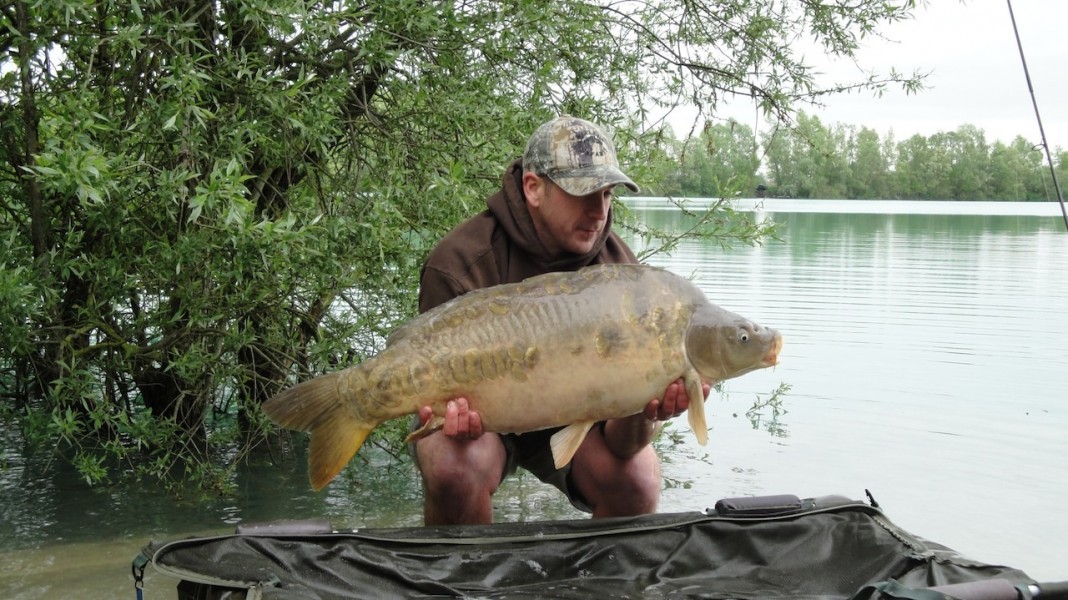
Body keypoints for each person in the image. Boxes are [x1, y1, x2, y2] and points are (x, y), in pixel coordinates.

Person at [413, 115, 708, 525]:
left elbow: (623, 447)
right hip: (484, 423)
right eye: (584, 193)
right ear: (533, 188)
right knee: (454, 466)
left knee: (637, 478)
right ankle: (466, 582)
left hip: (576, 424)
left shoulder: (622, 276)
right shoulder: (462, 263)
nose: (598, 212)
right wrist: (447, 416)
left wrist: (647, 412)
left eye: (607, 195)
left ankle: (605, 585)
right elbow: (431, 398)